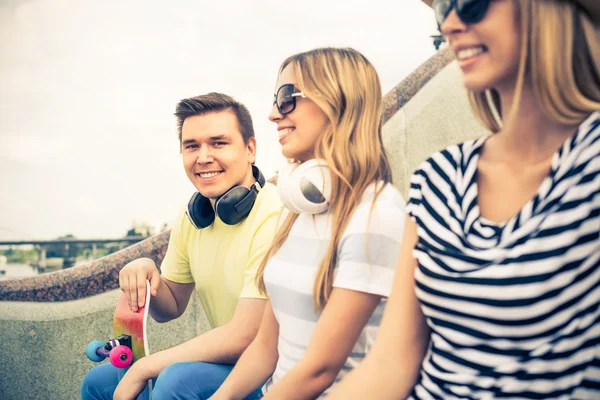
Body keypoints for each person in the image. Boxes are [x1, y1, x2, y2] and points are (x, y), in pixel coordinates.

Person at [328, 0, 600, 398]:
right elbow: (391, 361)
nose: (452, 23)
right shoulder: (436, 177)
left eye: (471, 4)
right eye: (442, 11)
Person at [209, 47, 406, 400]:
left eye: (287, 99)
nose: (272, 114)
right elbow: (266, 347)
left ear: (338, 100)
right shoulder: (296, 207)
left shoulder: (376, 213)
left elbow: (319, 370)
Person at [80, 92, 282, 400]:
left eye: (219, 143)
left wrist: (144, 368)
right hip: (226, 363)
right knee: (100, 382)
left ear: (250, 149)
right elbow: (170, 308)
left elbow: (246, 335)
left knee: (177, 381)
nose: (203, 157)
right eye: (192, 146)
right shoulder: (194, 217)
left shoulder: (274, 213)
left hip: (271, 372)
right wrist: (148, 274)